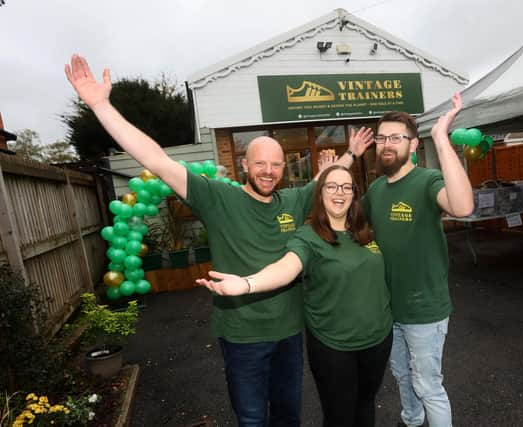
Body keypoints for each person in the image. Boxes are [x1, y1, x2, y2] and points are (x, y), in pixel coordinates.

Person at [64, 54, 373, 427]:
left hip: (290, 332)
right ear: (244, 164)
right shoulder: (217, 197)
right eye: (260, 163)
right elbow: (157, 160)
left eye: (276, 164)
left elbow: (328, 181)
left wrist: (352, 153)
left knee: (289, 416)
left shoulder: (293, 199)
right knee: (252, 418)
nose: (269, 171)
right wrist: (101, 105)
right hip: (242, 336)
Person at [197, 165, 393, 427]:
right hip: (334, 346)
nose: (339, 192)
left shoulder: (365, 231)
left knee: (366, 404)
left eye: (347, 187)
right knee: (340, 416)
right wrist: (247, 284)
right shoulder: (309, 236)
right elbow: (286, 268)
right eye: (331, 186)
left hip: (377, 338)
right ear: (320, 193)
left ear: (354, 194)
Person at [361, 94, 474, 427]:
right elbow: (352, 228)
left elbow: (463, 206)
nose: (386, 145)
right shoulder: (377, 189)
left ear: (412, 145)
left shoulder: (426, 181)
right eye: (382, 138)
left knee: (428, 384)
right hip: (389, 309)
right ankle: (411, 421)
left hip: (424, 310)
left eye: (396, 138)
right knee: (402, 375)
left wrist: (440, 140)